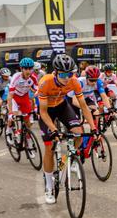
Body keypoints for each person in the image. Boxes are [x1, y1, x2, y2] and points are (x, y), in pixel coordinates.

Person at [37, 54, 96, 205]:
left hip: (62, 106)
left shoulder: (74, 82)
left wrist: (94, 128)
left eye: (69, 74)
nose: (66, 78)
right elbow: (43, 113)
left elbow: (83, 106)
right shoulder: (45, 82)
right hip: (47, 111)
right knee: (49, 147)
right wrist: (53, 129)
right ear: (55, 72)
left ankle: (69, 159)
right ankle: (49, 186)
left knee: (79, 133)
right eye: (63, 74)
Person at [7, 58, 39, 123]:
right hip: (14, 97)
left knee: (27, 120)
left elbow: (37, 93)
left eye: (30, 69)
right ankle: (9, 129)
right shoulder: (16, 77)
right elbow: (10, 97)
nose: (28, 71)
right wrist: (10, 113)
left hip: (24, 97)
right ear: (21, 69)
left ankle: (27, 133)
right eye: (26, 69)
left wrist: (36, 107)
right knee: (14, 115)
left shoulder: (34, 78)